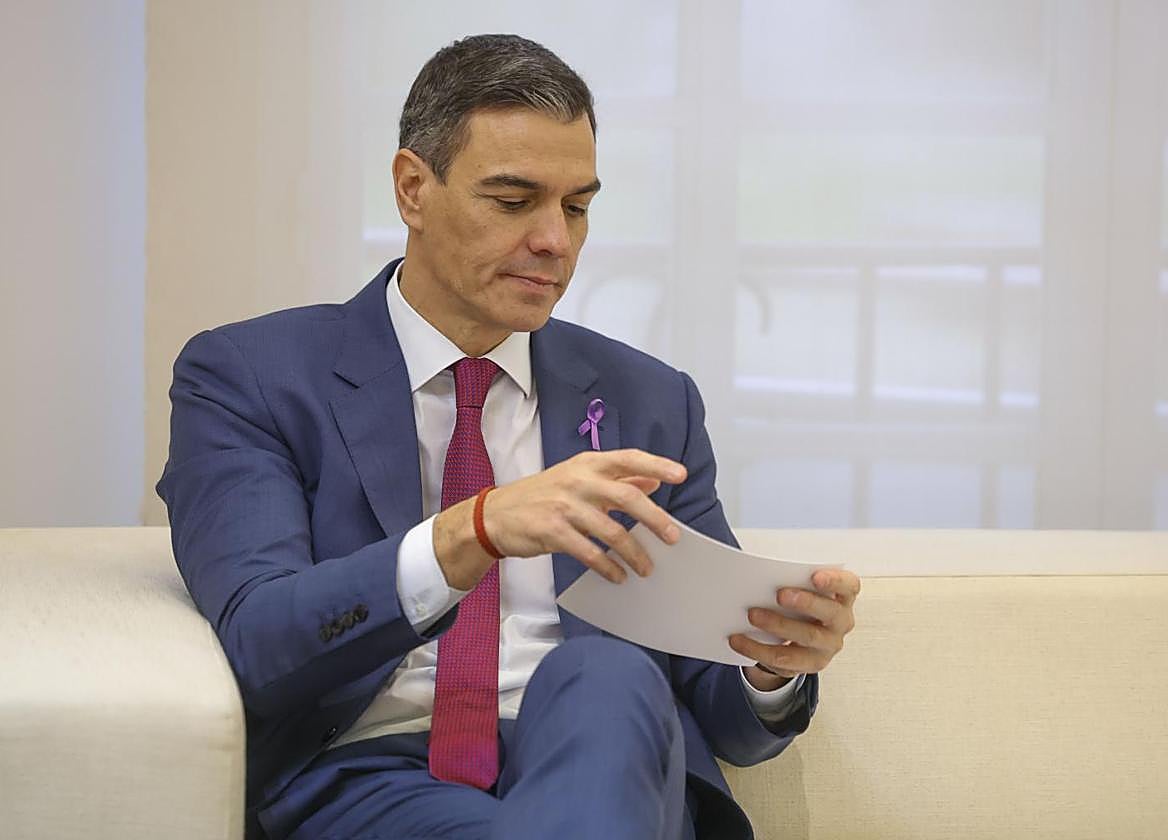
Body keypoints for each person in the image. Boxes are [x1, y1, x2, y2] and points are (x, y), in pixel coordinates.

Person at [157, 33, 859, 840]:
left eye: (577, 207)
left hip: (607, 759)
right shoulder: (252, 376)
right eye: (514, 200)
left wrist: (769, 663)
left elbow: (727, 720)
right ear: (413, 189)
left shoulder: (649, 401)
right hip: (374, 776)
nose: (555, 241)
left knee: (605, 672)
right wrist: (474, 530)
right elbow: (261, 640)